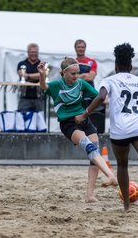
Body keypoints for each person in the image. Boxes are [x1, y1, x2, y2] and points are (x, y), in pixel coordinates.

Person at [75, 43, 138, 214]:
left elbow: (101, 96)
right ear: (131, 66)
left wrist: (84, 114)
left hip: (121, 130)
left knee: (123, 166)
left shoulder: (110, 80)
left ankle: (126, 205)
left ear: (116, 65)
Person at [37, 57, 117, 203]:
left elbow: (100, 97)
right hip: (69, 123)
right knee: (90, 147)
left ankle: (90, 195)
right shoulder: (56, 85)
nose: (76, 76)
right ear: (63, 73)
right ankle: (111, 175)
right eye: (73, 74)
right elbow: (43, 87)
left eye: (78, 73)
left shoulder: (81, 83)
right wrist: (42, 74)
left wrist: (115, 100)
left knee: (95, 153)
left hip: (84, 119)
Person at [17, 43, 45, 112]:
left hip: (39, 98)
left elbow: (43, 75)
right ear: (28, 52)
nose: (33, 54)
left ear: (38, 53)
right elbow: (22, 75)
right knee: (22, 119)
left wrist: (28, 76)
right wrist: (37, 76)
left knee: (39, 121)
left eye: (35, 52)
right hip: (24, 98)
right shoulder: (21, 63)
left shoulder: (42, 64)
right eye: (32, 52)